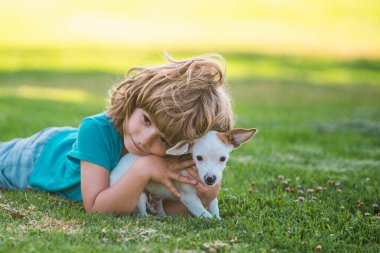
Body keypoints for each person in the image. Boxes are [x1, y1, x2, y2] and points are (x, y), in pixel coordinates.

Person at [0, 53, 233, 216]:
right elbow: (96, 206)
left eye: (162, 140)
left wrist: (207, 193)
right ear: (135, 101)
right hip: (35, 157)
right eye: (146, 120)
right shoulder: (95, 130)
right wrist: (143, 169)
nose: (143, 139)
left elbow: (171, 209)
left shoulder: (174, 156)